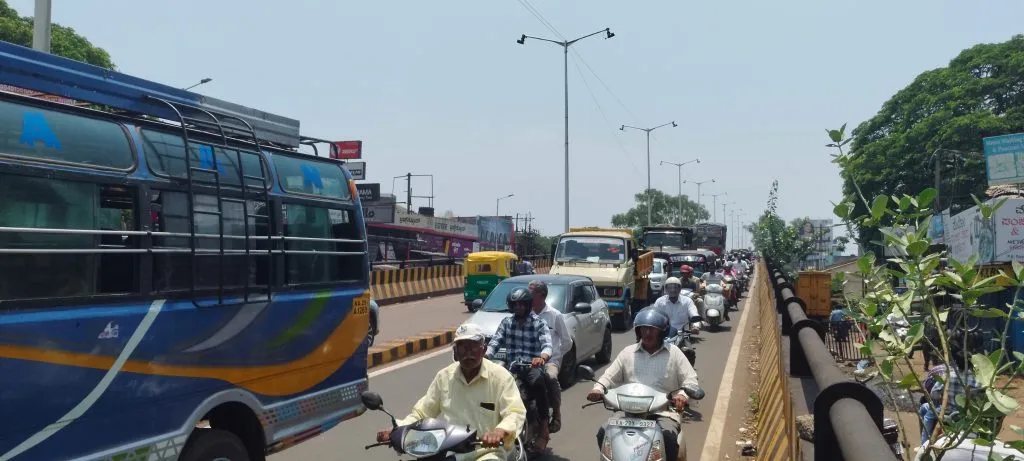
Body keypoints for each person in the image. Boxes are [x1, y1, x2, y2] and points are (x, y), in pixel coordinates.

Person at [376, 323, 526, 460]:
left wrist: (499, 431)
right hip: (448, 452)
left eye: (474, 346)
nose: (468, 352)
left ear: (484, 349)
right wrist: (397, 428)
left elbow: (515, 411)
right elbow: (422, 413)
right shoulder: (444, 377)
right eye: (462, 347)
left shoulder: (500, 377)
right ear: (455, 351)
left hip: (487, 453)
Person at [588, 309, 699, 461]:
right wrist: (598, 388)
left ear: (662, 332)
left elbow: (690, 379)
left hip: (664, 412)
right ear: (638, 331)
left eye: (652, 329)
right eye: (643, 328)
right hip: (627, 412)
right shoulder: (628, 353)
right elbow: (609, 376)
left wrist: (682, 395)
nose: (647, 333)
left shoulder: (674, 353)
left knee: (668, 438)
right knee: (603, 431)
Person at [486, 287, 555, 452]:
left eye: (522, 305)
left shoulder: (539, 322)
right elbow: (495, 342)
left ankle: (544, 430)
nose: (518, 308)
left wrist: (542, 357)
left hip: (531, 366)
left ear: (528, 305)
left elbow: (547, 344)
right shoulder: (506, 322)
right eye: (515, 305)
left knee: (538, 382)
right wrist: (486, 357)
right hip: (511, 368)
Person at [528, 279, 571, 434]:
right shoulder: (526, 314)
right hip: (529, 361)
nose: (528, 296)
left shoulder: (555, 315)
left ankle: (557, 415)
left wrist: (555, 358)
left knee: (551, 378)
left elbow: (567, 342)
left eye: (531, 293)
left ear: (542, 295)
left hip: (550, 361)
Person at [919, 351, 981, 446]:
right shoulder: (976, 380)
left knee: (927, 415)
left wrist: (939, 401)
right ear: (971, 363)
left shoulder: (948, 375)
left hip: (945, 411)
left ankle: (924, 445)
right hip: (965, 414)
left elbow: (934, 393)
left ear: (956, 362)